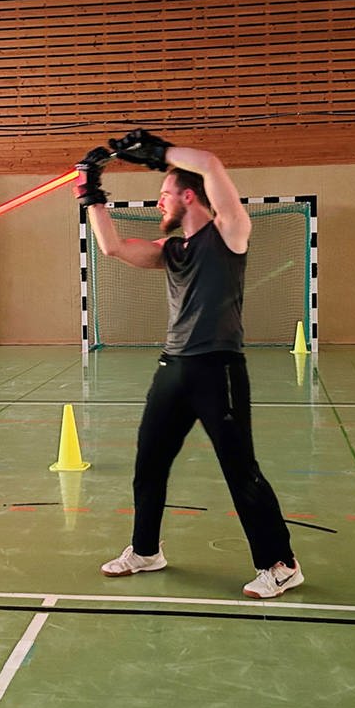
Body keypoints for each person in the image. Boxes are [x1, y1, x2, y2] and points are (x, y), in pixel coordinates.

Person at [76, 130, 303, 599]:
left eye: (163, 196)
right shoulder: (172, 251)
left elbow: (212, 164)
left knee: (241, 471)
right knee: (149, 463)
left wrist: (159, 153)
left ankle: (280, 565)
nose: (158, 205)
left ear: (187, 195)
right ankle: (145, 551)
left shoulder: (230, 234)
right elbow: (113, 248)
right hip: (173, 367)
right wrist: (91, 192)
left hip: (217, 368)